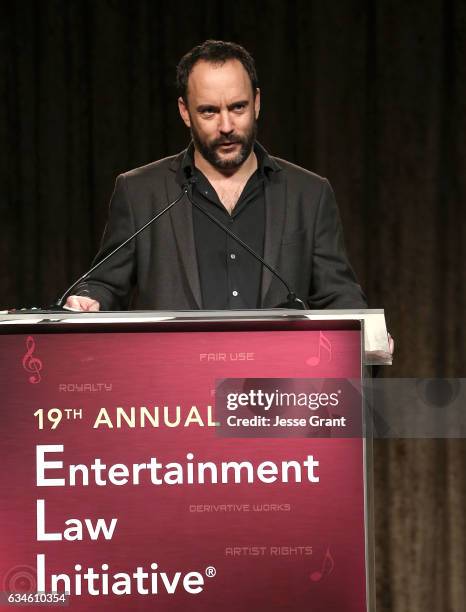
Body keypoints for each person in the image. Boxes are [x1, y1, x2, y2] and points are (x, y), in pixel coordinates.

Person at [66, 40, 367, 313]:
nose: (226, 126)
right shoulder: (140, 193)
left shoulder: (309, 194)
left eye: (238, 107)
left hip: (276, 373)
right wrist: (89, 298)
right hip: (177, 372)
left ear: (257, 102)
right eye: (209, 111)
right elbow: (105, 284)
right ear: (185, 112)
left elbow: (337, 294)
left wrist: (367, 332)